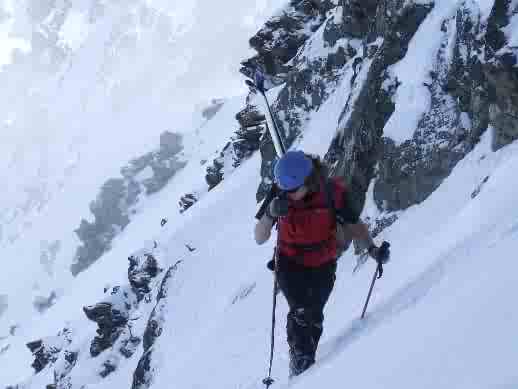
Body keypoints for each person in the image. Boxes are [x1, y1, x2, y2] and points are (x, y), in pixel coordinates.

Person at [254, 150, 390, 377]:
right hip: (289, 263)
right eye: (285, 191)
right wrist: (270, 213)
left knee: (314, 315)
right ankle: (302, 365)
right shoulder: (281, 193)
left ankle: (305, 362)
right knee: (301, 312)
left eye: (293, 191)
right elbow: (259, 237)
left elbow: (353, 224)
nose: (287, 195)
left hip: (323, 263)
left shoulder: (333, 193)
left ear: (308, 181)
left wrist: (371, 249)